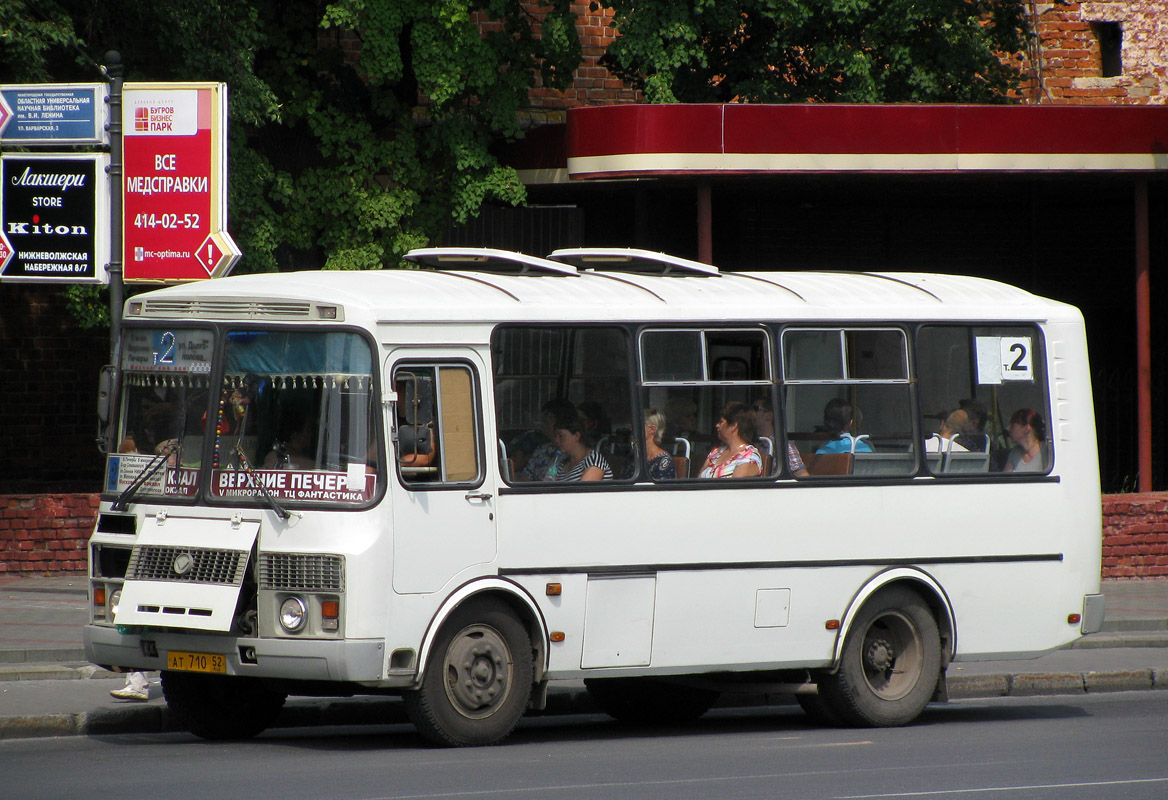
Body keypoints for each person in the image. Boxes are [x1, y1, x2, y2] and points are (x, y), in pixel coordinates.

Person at [700, 401, 763, 478]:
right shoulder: (716, 452)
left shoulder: (749, 458)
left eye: (721, 422)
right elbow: (698, 480)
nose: (717, 425)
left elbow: (735, 488)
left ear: (733, 425)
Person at [519, 398, 577, 481]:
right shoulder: (542, 450)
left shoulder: (571, 453)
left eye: (549, 416)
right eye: (543, 416)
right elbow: (525, 476)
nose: (543, 421)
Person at [752, 396, 808, 477]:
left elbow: (803, 477)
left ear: (769, 416)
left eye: (755, 409)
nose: (750, 413)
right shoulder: (750, 445)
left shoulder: (784, 448)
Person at [548, 415, 612, 481]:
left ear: (577, 436)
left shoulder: (594, 460)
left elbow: (585, 489)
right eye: (555, 436)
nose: (556, 440)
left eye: (561, 436)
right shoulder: (562, 465)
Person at [1004, 407, 1049, 473]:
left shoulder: (1046, 451)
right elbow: (1005, 479)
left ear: (1027, 429)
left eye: (1013, 425)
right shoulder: (1015, 453)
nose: (1009, 429)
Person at [643, 408, 676, 480]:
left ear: (652, 429)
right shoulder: (632, 458)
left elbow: (663, 489)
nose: (632, 429)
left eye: (638, 426)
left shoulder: (664, 461)